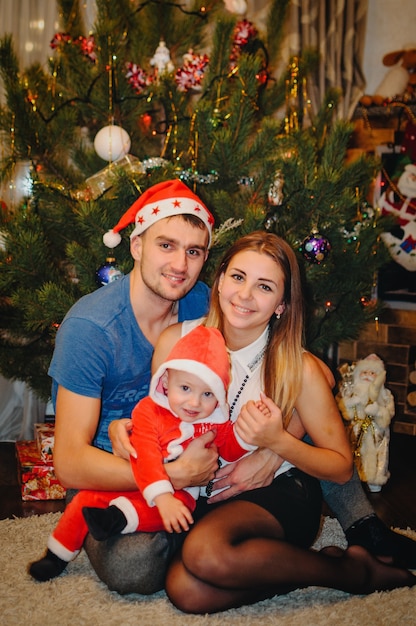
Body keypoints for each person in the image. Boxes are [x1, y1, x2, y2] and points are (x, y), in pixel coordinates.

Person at [50, 178, 416, 596]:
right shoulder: (91, 329)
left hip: (205, 464)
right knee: (143, 571)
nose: (179, 265)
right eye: (165, 246)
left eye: (194, 252)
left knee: (197, 550)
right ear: (136, 246)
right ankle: (261, 554)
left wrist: (271, 447)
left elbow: (308, 374)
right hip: (123, 465)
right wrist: (169, 473)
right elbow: (70, 463)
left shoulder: (202, 298)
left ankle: (362, 528)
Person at [149, 231, 415, 614]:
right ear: (220, 279)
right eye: (238, 277)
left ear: (281, 304)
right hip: (204, 491)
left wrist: (277, 442)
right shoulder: (175, 341)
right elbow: (158, 416)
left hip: (279, 494)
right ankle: (341, 568)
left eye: (265, 286)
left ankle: (355, 575)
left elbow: (340, 468)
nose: (244, 296)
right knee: (186, 591)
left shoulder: (299, 367)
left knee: (205, 554)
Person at [29, 326, 255, 582]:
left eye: (207, 394)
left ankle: (116, 518)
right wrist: (162, 495)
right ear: (167, 382)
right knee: (85, 501)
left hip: (182, 495)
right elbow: (144, 454)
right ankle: (56, 554)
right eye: (185, 389)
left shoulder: (215, 421)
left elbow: (230, 450)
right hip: (137, 478)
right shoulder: (149, 411)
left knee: (175, 511)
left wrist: (249, 435)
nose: (194, 403)